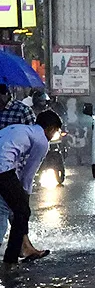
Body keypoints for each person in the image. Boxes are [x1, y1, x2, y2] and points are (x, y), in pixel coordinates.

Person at [0, 110, 63, 267]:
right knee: (22, 212)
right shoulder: (42, 140)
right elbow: (29, 173)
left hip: (5, 168)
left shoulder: (19, 129)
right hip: (2, 169)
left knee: (2, 209)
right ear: (50, 128)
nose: (54, 134)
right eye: (55, 131)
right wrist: (25, 196)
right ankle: (11, 258)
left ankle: (22, 249)